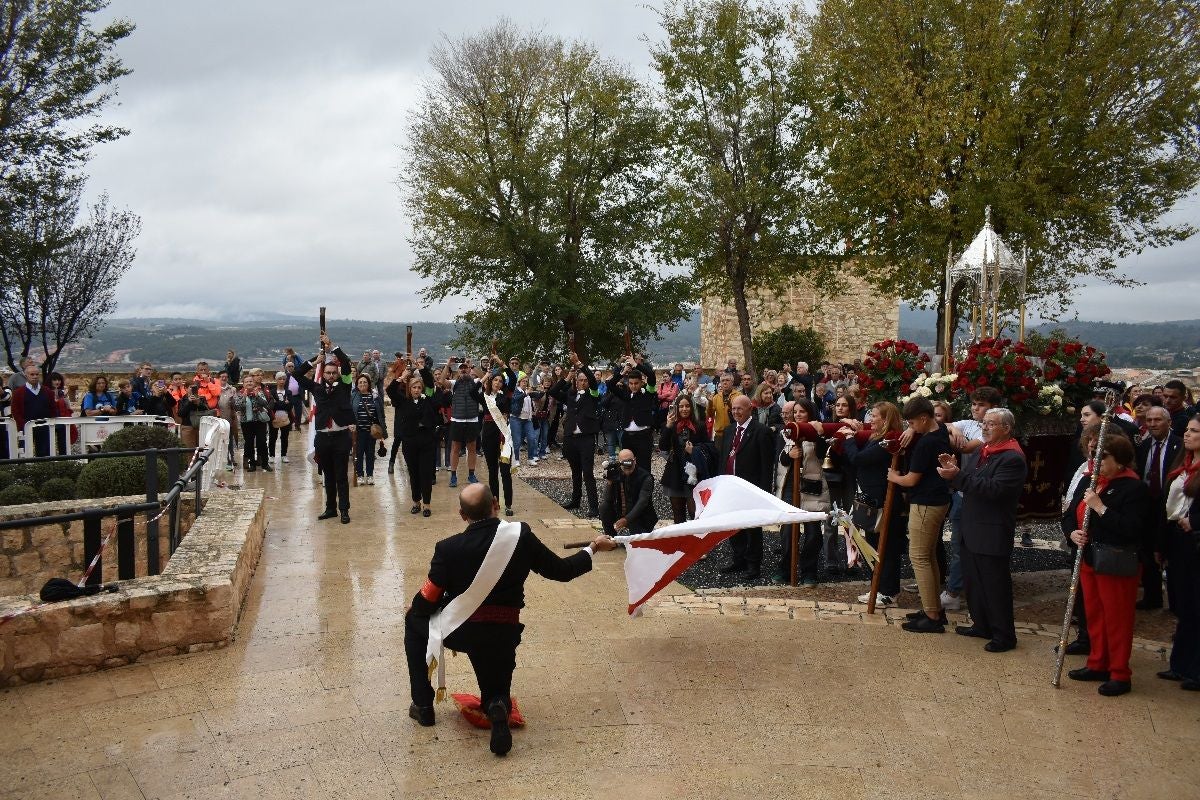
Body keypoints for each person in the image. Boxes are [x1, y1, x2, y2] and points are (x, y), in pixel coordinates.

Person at [403, 484, 616, 755]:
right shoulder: (521, 535)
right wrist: (593, 547)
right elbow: (562, 571)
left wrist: (416, 608)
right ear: (495, 503)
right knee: (496, 689)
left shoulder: (447, 549)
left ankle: (423, 706)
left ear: (461, 514)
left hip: (461, 631)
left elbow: (429, 596)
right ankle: (498, 706)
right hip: (503, 631)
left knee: (413, 622)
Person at [1064, 434, 1150, 696]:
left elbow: (1132, 529)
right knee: (1095, 614)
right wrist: (1072, 533)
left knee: (1117, 618)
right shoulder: (1091, 481)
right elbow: (1069, 514)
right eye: (1095, 456)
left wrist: (1100, 508)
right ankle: (1098, 662)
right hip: (1090, 557)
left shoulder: (1133, 488)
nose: (1097, 461)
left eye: (1104, 457)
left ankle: (1119, 673)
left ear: (1121, 461)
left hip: (1115, 561)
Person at [936, 408, 1027, 653]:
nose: (984, 428)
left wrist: (958, 476)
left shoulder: (1012, 458)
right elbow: (969, 480)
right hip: (972, 526)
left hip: (991, 530)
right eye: (983, 423)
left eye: (990, 424)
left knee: (994, 584)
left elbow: (994, 489)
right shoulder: (984, 451)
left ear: (1006, 429)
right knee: (974, 581)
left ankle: (1004, 635)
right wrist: (952, 471)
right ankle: (982, 624)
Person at [890, 396, 954, 633]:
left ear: (925, 418)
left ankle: (932, 615)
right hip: (937, 500)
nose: (911, 427)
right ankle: (933, 607)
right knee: (929, 556)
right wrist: (910, 429)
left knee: (919, 557)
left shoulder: (927, 442)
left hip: (927, 502)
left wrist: (894, 477)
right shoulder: (941, 432)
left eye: (913, 423)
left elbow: (912, 478)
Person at [844, 402, 906, 605]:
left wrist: (849, 440)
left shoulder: (889, 439)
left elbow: (859, 459)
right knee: (874, 546)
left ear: (886, 419)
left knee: (885, 548)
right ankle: (878, 587)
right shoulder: (877, 436)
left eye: (875, 415)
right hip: (872, 499)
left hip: (883, 500)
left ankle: (888, 591)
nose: (871, 418)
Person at [293, 334, 355, 523]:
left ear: (337, 374)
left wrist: (332, 347)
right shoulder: (316, 388)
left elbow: (345, 362)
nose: (329, 375)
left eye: (333, 373)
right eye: (327, 373)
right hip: (323, 437)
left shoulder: (345, 385)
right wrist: (314, 361)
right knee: (328, 475)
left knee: (341, 476)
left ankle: (344, 509)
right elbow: (296, 375)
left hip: (341, 436)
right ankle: (330, 508)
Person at [1159, 414, 1200, 691]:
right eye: (1187, 430)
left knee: (1197, 606)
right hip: (1178, 541)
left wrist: (1195, 522)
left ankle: (1195, 669)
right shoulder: (1182, 464)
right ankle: (1180, 664)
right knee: (1184, 606)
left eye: (1195, 431)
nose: (1187, 434)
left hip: (1195, 541)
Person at [718, 394, 776, 580]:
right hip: (730, 489)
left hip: (751, 490)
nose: (736, 412)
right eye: (733, 409)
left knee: (752, 528)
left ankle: (753, 564)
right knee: (734, 526)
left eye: (739, 409)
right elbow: (723, 458)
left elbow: (767, 466)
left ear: (750, 409)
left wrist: (764, 493)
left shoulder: (761, 431)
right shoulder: (728, 431)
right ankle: (739, 559)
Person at [777, 399, 830, 585]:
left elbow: (825, 453)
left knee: (813, 533)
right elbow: (780, 459)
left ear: (810, 413)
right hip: (790, 487)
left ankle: (809, 571)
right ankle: (785, 568)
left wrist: (817, 434)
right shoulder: (787, 432)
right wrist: (788, 455)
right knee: (788, 532)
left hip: (812, 488)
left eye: (802, 412)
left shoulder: (818, 432)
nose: (798, 415)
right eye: (796, 411)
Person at [1135, 406, 1181, 610]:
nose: (1152, 424)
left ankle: (1177, 602)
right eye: (1149, 420)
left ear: (1168, 422)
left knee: (1170, 553)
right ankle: (1152, 597)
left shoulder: (1180, 446)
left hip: (1170, 506)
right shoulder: (1143, 447)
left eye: (1157, 420)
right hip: (1147, 506)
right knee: (1147, 551)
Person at [391, 369, 449, 517]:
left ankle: (427, 504)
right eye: (414, 387)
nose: (416, 390)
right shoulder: (403, 402)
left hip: (427, 443)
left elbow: (430, 383)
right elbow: (390, 390)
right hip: (410, 443)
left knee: (425, 474)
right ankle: (416, 501)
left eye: (418, 387)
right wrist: (401, 377)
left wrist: (422, 369)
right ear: (409, 389)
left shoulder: (428, 400)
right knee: (414, 473)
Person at [550, 354, 601, 517]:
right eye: (580, 380)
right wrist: (567, 378)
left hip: (586, 438)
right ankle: (575, 499)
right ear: (576, 381)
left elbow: (593, 382)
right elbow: (553, 391)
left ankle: (594, 506)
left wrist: (580, 364)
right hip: (570, 438)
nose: (583, 382)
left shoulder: (593, 395)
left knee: (588, 472)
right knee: (575, 471)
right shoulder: (570, 395)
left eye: (585, 380)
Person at [659, 394, 713, 524]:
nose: (684, 409)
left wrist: (694, 450)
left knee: (695, 512)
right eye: (681, 406)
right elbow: (663, 446)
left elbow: (708, 447)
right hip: (675, 472)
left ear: (692, 407)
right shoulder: (670, 424)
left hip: (694, 473)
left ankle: (696, 542)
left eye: (687, 406)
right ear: (676, 408)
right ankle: (681, 543)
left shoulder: (699, 425)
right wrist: (668, 426)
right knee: (678, 513)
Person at [605, 355, 658, 472]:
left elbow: (651, 375)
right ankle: (629, 489)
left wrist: (636, 365)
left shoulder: (648, 393)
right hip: (627, 437)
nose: (633, 386)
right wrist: (622, 372)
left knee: (644, 467)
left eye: (636, 383)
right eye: (631, 383)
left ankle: (645, 488)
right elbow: (610, 384)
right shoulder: (625, 395)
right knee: (626, 467)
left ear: (641, 382)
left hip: (643, 436)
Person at [479, 373, 516, 516]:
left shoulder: (505, 396)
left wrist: (503, 364)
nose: (498, 382)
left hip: (503, 436)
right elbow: (471, 391)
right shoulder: (484, 397)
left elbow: (512, 379)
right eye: (495, 380)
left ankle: (508, 504)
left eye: (500, 381)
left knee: (505, 472)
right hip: (488, 436)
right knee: (492, 471)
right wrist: (485, 376)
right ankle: (495, 502)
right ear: (491, 381)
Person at [444, 358, 484, 488]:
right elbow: (441, 381)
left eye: (465, 368)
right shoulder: (454, 383)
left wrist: (472, 366)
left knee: (472, 448)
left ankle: (471, 474)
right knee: (455, 448)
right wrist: (448, 364)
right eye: (461, 368)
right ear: (458, 371)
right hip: (457, 419)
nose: (463, 369)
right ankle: (453, 475)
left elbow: (486, 377)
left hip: (472, 419)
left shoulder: (476, 382)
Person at [600, 448, 658, 536]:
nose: (627, 466)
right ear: (619, 463)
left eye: (630, 461)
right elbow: (607, 499)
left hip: (640, 516)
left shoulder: (645, 477)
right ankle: (611, 537)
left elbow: (642, 503)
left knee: (635, 543)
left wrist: (626, 519)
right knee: (604, 507)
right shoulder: (616, 472)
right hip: (621, 512)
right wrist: (609, 483)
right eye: (624, 462)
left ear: (635, 460)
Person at [9, 363, 56, 456]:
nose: (34, 377)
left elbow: (52, 408)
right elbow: (15, 410)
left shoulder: (47, 391)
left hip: (44, 426)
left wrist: (49, 421)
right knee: (24, 451)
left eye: (36, 374)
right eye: (32, 374)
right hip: (25, 426)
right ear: (26, 375)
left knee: (45, 452)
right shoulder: (18, 393)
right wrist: (22, 424)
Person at [351, 374, 386, 485]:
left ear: (368, 384)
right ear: (357, 384)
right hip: (359, 431)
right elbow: (350, 412)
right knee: (359, 454)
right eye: (360, 382)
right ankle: (360, 475)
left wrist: (382, 428)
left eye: (365, 382)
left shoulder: (375, 396)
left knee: (370, 454)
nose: (362, 384)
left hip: (372, 431)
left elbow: (381, 413)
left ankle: (370, 475)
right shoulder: (354, 396)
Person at [237, 375, 273, 473]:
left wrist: (257, 396)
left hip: (259, 421)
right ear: (243, 384)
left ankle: (265, 463)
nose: (249, 383)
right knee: (249, 443)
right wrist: (244, 398)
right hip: (246, 423)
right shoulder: (240, 394)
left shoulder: (259, 392)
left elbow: (265, 403)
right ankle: (252, 464)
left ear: (254, 383)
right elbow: (237, 407)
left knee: (262, 442)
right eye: (247, 382)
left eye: (251, 381)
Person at [267, 372, 294, 465]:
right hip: (274, 418)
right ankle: (271, 455)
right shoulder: (272, 392)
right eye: (280, 379)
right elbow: (272, 406)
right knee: (272, 437)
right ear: (276, 380)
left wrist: (278, 403)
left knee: (285, 437)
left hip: (285, 418)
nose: (282, 381)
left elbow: (290, 406)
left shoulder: (289, 392)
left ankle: (284, 455)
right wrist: (284, 403)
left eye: (283, 379)